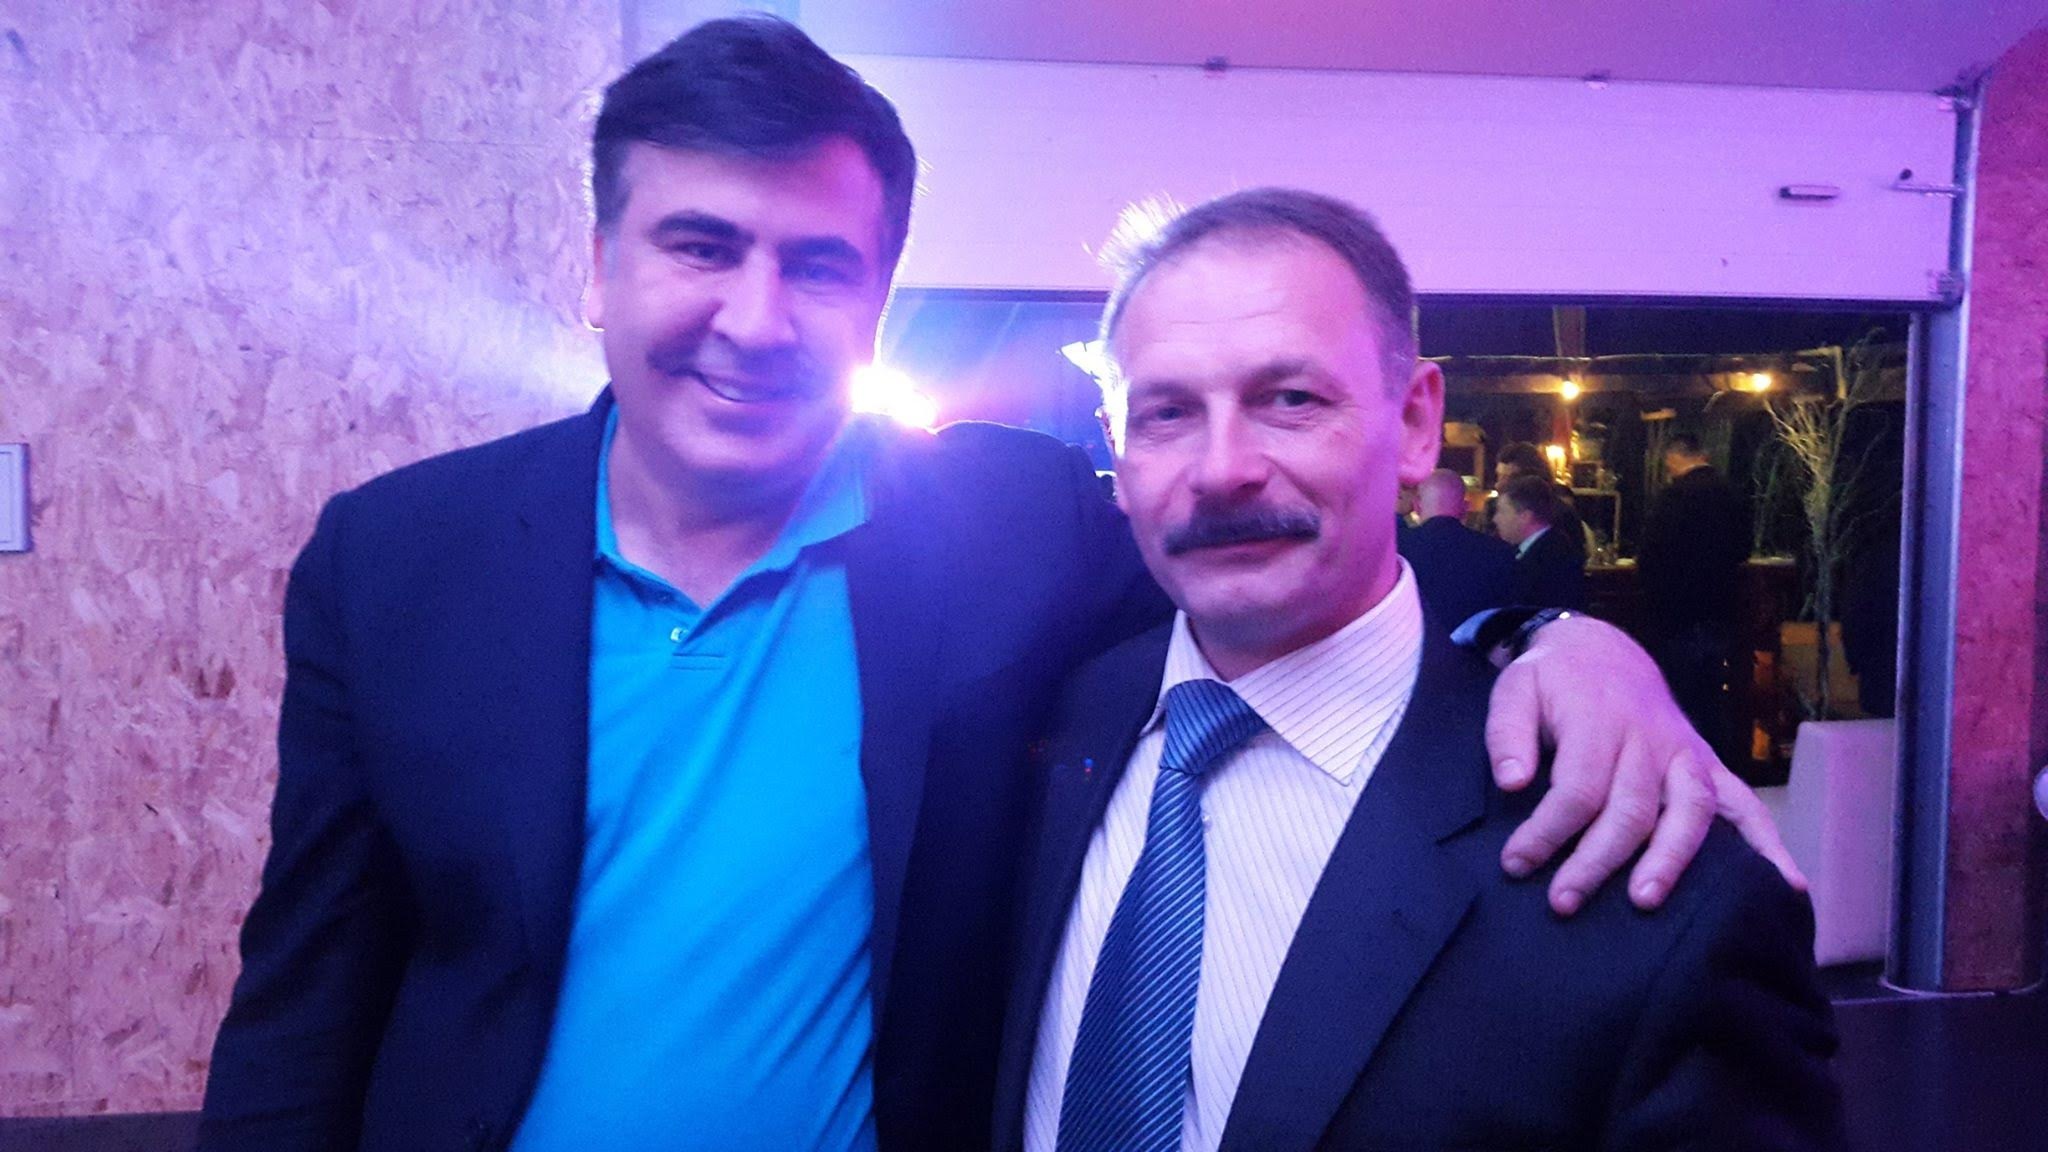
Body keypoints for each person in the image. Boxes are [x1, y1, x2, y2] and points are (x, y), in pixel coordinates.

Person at [199, 18, 1796, 1152]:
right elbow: (309, 992)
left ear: (877, 297)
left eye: (818, 265)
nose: (756, 318)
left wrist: (1553, 629)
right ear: (601, 263)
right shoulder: (397, 561)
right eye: (700, 246)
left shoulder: (993, 529)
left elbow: (1268, 545)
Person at [996, 188, 1842, 1152]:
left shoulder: (1661, 892)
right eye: (1166, 413)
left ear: (1413, 424)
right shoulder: (1052, 721)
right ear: (1117, 449)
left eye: (1290, 399)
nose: (1222, 467)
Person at [1639, 433, 1755, 761]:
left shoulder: (1673, 498)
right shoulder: (1733, 494)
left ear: (1673, 458)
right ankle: (1724, 762)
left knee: (1680, 696)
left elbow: (1651, 556)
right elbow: (1744, 548)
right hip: (1721, 608)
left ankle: (1685, 763)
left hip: (1677, 613)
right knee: (1714, 694)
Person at [1396, 467, 1515, 630]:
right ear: (1465, 507)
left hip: (1418, 643)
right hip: (1475, 644)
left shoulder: (1399, 549)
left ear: (1417, 507)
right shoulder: (1499, 553)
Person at [1497, 471, 1589, 610]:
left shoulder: (1554, 557)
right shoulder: (1543, 546)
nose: (1496, 519)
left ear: (1525, 516)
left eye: (1502, 511)